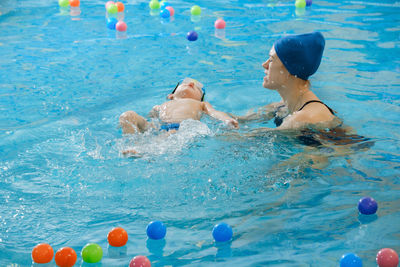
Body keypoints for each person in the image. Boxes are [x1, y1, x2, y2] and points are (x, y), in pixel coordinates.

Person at [236, 31, 340, 131]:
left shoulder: (305, 116)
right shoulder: (283, 106)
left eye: (271, 60)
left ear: (289, 69)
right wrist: (224, 118)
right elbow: (239, 121)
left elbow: (246, 138)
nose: (264, 65)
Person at [119, 78, 238, 146]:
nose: (191, 83)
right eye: (184, 83)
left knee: (165, 138)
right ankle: (133, 144)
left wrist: (226, 119)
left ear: (199, 98)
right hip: (157, 128)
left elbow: (214, 112)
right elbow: (149, 121)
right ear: (171, 95)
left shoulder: (200, 104)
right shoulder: (160, 106)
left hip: (181, 129)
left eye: (197, 89)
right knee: (127, 116)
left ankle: (143, 151)